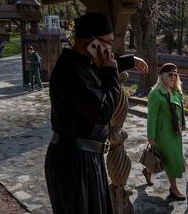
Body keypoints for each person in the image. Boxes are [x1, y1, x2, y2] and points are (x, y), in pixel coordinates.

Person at [45, 12, 148, 214]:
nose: (109, 49)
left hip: (84, 159)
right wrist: (110, 72)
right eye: (107, 43)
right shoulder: (72, 71)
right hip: (73, 163)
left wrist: (128, 60)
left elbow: (100, 65)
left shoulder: (80, 64)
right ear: (91, 42)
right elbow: (103, 112)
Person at [143, 63, 187, 201]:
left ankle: (147, 170)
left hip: (174, 133)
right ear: (163, 76)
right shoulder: (155, 93)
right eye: (170, 74)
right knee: (171, 161)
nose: (173, 77)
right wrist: (151, 135)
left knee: (162, 158)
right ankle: (173, 189)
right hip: (162, 134)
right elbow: (152, 116)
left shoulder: (175, 92)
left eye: (175, 74)